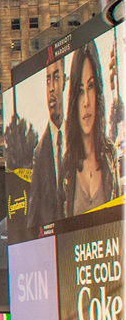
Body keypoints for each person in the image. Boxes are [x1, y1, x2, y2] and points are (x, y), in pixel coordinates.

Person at [61, 41, 119, 216]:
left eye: (91, 86)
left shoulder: (111, 156)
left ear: (98, 93)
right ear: (73, 100)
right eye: (80, 91)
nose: (86, 101)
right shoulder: (66, 167)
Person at [27, 58, 67, 228]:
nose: (51, 87)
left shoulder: (79, 135)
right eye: (48, 80)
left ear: (65, 81)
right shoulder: (39, 152)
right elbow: (33, 217)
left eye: (56, 78)